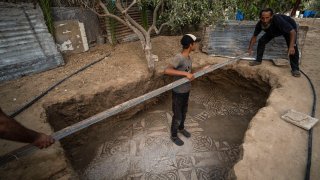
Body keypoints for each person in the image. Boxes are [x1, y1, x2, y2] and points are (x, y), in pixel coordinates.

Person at [164, 34, 201, 146]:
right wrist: (185, 73)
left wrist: (203, 69)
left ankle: (181, 128)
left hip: (186, 91)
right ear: (191, 45)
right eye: (195, 43)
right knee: (177, 115)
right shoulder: (179, 57)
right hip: (178, 92)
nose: (196, 45)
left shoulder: (189, 58)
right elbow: (167, 70)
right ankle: (174, 135)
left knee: (184, 113)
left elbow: (190, 73)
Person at [248, 8, 301, 77]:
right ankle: (258, 60)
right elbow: (254, 37)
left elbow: (292, 32)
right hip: (273, 30)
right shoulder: (260, 24)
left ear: (271, 16)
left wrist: (291, 46)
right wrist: (250, 48)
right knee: (261, 41)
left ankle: (295, 69)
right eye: (262, 18)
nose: (265, 20)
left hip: (289, 29)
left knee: (292, 48)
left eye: (267, 18)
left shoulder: (278, 20)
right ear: (260, 17)